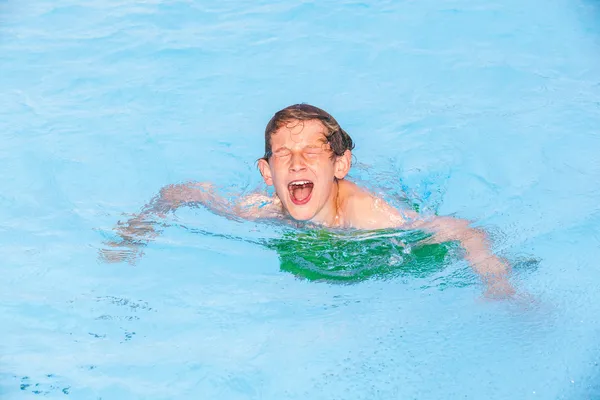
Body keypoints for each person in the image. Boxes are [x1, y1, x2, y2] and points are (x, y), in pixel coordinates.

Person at [102, 104, 515, 298]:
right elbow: (179, 193)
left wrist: (498, 284)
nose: (297, 163)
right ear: (268, 173)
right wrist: (132, 235)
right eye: (284, 155)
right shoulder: (260, 208)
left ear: (339, 165)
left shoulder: (369, 214)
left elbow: (463, 230)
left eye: (311, 153)